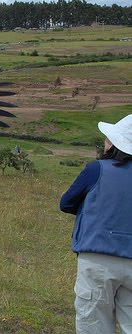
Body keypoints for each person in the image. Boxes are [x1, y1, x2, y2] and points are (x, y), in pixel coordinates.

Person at [60, 114, 132, 333]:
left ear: (114, 145)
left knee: (94, 324)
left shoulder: (96, 169)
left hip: (97, 259)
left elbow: (66, 203)